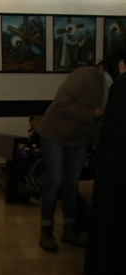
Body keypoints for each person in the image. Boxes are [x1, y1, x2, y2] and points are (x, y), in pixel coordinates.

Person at [36, 60, 111, 252]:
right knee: (54, 181)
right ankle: (46, 230)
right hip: (55, 134)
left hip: (79, 139)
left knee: (72, 183)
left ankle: (69, 228)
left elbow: (99, 122)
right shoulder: (85, 75)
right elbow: (61, 102)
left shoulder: (111, 86)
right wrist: (91, 113)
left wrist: (100, 145)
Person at [84, 47, 126, 275]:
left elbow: (111, 128)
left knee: (114, 213)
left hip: (117, 159)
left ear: (121, 65)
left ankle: (112, 270)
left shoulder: (120, 86)